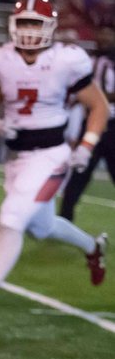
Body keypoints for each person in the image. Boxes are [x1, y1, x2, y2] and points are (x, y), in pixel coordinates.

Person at [0, 0, 108, 320]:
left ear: (50, 27)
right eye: (24, 23)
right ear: (12, 24)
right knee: (41, 227)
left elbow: (99, 106)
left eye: (36, 23)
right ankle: (93, 247)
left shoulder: (67, 59)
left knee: (11, 217)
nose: (29, 31)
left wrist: (87, 146)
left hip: (52, 156)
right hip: (19, 158)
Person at [59, 30, 115, 222]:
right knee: (79, 175)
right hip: (94, 124)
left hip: (111, 126)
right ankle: (65, 221)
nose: (104, 39)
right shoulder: (90, 62)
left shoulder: (102, 63)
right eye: (102, 37)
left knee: (80, 174)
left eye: (108, 37)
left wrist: (94, 98)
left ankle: (65, 218)